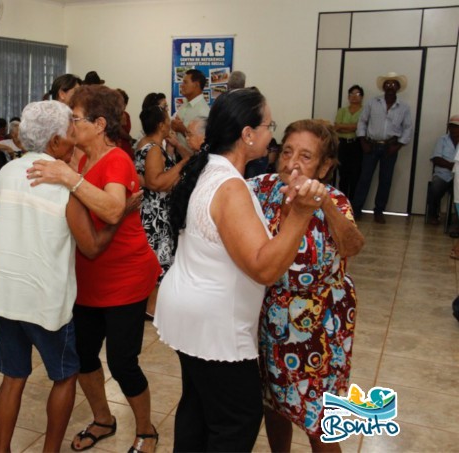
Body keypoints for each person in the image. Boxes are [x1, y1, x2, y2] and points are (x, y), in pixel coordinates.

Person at [154, 88, 328, 452]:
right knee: (238, 419)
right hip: (214, 323)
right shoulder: (230, 186)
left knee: (199, 407)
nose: (272, 135)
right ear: (248, 134)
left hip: (189, 310)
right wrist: (301, 213)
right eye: (269, 125)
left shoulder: (209, 169)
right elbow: (263, 267)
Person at [0, 101, 124, 453]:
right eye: (70, 132)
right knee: (64, 375)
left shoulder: (7, 174)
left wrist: (17, 223)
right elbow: (90, 247)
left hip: (6, 295)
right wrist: (118, 220)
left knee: (12, 378)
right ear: (56, 141)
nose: (74, 138)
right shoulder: (64, 184)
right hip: (46, 299)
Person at [27, 85, 162, 453]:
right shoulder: (81, 159)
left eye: (75, 118)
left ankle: (147, 430)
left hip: (124, 279)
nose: (70, 124)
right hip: (87, 279)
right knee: (84, 358)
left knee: (122, 363)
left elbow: (114, 209)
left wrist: (69, 178)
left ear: (100, 124)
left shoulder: (115, 159)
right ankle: (104, 418)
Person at [248, 119, 364, 452]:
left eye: (305, 156)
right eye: (286, 151)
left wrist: (323, 202)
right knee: (274, 403)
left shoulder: (336, 201)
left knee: (321, 419)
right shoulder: (261, 188)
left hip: (321, 327)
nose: (292, 163)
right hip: (271, 320)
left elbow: (353, 246)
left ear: (325, 166)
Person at [134, 105, 191, 318]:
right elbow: (156, 182)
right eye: (167, 119)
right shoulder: (153, 149)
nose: (170, 123)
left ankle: (151, 307)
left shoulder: (146, 145)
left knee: (154, 258)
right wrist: (183, 164)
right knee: (158, 259)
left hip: (149, 211)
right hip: (155, 213)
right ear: (160, 125)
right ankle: (151, 309)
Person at [353, 72, 413, 223]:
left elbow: (407, 128)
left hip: (390, 148)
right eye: (388, 83)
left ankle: (379, 211)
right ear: (384, 86)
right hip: (371, 146)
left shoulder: (404, 107)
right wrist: (363, 142)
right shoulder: (373, 103)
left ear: (398, 87)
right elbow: (362, 122)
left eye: (394, 84)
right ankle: (357, 209)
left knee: (385, 180)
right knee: (364, 179)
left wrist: (398, 146)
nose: (390, 86)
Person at [334, 84, 365, 200]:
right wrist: (353, 126)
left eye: (357, 94)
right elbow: (336, 127)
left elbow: (361, 127)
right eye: (351, 94)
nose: (354, 96)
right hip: (343, 144)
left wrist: (345, 126)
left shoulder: (365, 110)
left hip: (357, 145)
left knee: (355, 174)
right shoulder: (342, 111)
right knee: (343, 174)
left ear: (362, 97)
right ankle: (342, 202)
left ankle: (352, 203)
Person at [427, 115, 459, 226]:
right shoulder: (442, 140)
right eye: (452, 126)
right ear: (449, 127)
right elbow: (436, 158)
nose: (454, 129)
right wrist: (452, 166)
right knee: (435, 187)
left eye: (457, 127)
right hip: (443, 174)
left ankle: (457, 218)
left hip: (458, 177)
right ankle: (433, 215)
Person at [172, 69, 210, 153]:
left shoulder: (203, 111)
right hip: (180, 155)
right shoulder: (185, 103)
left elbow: (202, 142)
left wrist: (182, 130)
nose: (181, 86)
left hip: (192, 160)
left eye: (185, 82)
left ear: (196, 85)